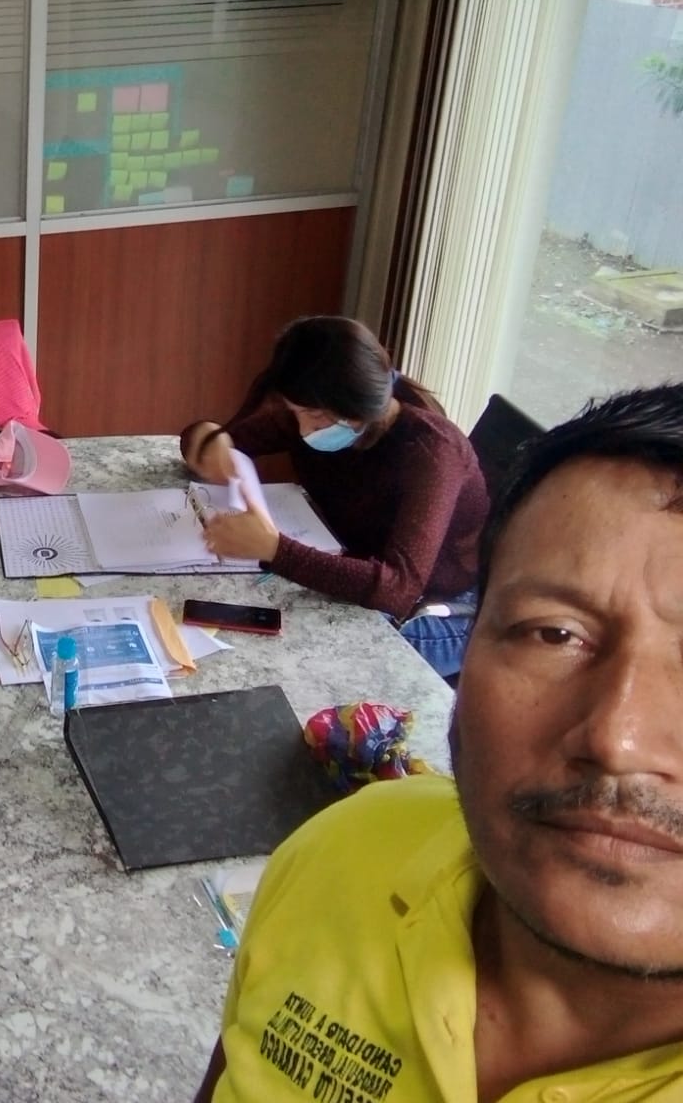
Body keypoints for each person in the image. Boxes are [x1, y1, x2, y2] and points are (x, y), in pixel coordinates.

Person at [194, 383, 683, 1101]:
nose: (617, 737)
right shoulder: (349, 850)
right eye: (554, 634)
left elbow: (399, 586)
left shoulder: (429, 452)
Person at [180, 316, 488, 677]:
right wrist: (210, 440)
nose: (302, 429)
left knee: (306, 663)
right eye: (295, 413)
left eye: (312, 416)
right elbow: (225, 439)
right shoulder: (322, 416)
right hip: (362, 572)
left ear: (357, 407)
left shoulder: (433, 451)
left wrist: (275, 550)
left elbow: (398, 588)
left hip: (441, 610)